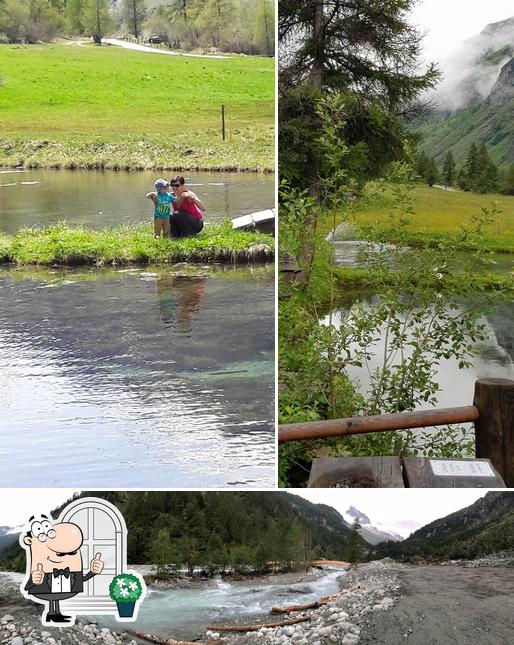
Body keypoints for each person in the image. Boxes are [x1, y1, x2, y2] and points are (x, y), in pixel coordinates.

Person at [22, 515, 104, 624]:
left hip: (61, 588)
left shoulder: (71, 571)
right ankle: (51, 614)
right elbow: (28, 587)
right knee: (52, 596)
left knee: (55, 597)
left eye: (72, 553)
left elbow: (81, 579)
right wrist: (34, 580)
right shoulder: (40, 570)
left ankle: (55, 614)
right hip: (46, 587)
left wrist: (93, 571)